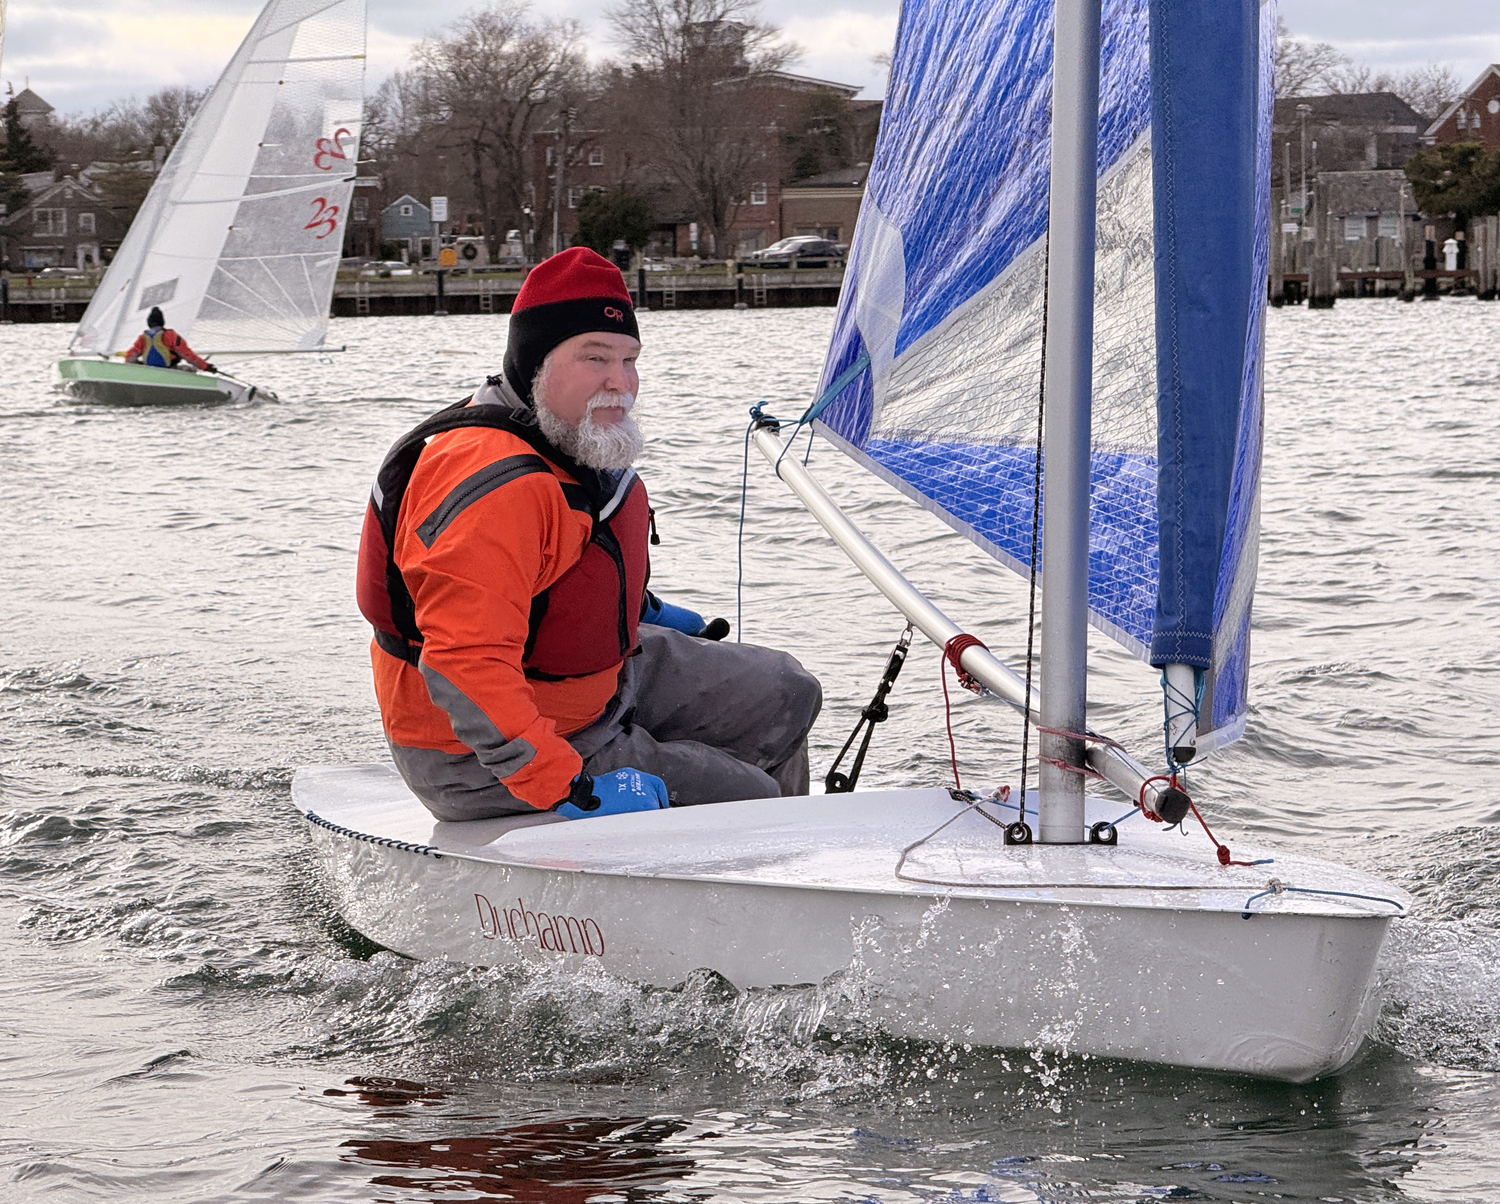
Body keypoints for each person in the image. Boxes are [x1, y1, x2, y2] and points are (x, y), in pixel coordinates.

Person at [356, 246, 822, 824]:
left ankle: (745, 841)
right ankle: (747, 862)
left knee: (785, 689)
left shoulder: (567, 439)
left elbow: (557, 581)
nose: (619, 383)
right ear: (535, 364)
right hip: (473, 756)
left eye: (629, 359)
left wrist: (649, 613)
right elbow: (464, 663)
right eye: (594, 357)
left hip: (594, 689)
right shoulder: (495, 484)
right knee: (750, 796)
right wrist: (570, 788)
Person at [124, 307, 217, 372]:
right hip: (169, 370)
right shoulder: (171, 335)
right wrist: (206, 367)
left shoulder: (142, 338)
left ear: (149, 323)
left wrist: (138, 365)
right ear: (162, 322)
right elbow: (188, 355)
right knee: (190, 370)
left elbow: (130, 357)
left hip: (149, 370)